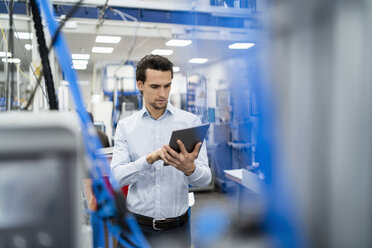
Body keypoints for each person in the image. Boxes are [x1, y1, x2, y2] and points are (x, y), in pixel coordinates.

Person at [110, 55, 211, 248]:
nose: (162, 93)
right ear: (140, 84)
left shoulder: (190, 123)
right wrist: (148, 159)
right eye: (155, 87)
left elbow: (205, 178)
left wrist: (190, 169)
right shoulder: (126, 126)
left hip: (177, 230)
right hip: (136, 228)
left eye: (167, 86)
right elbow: (116, 178)